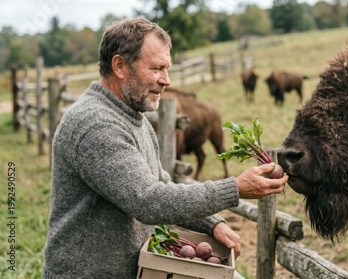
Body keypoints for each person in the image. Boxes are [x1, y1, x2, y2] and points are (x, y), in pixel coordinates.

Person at [42, 17, 288, 279]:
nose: (166, 80)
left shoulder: (133, 118)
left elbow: (161, 184)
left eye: (167, 68)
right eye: (157, 68)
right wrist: (234, 189)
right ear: (120, 66)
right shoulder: (96, 125)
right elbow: (149, 201)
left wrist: (211, 223)